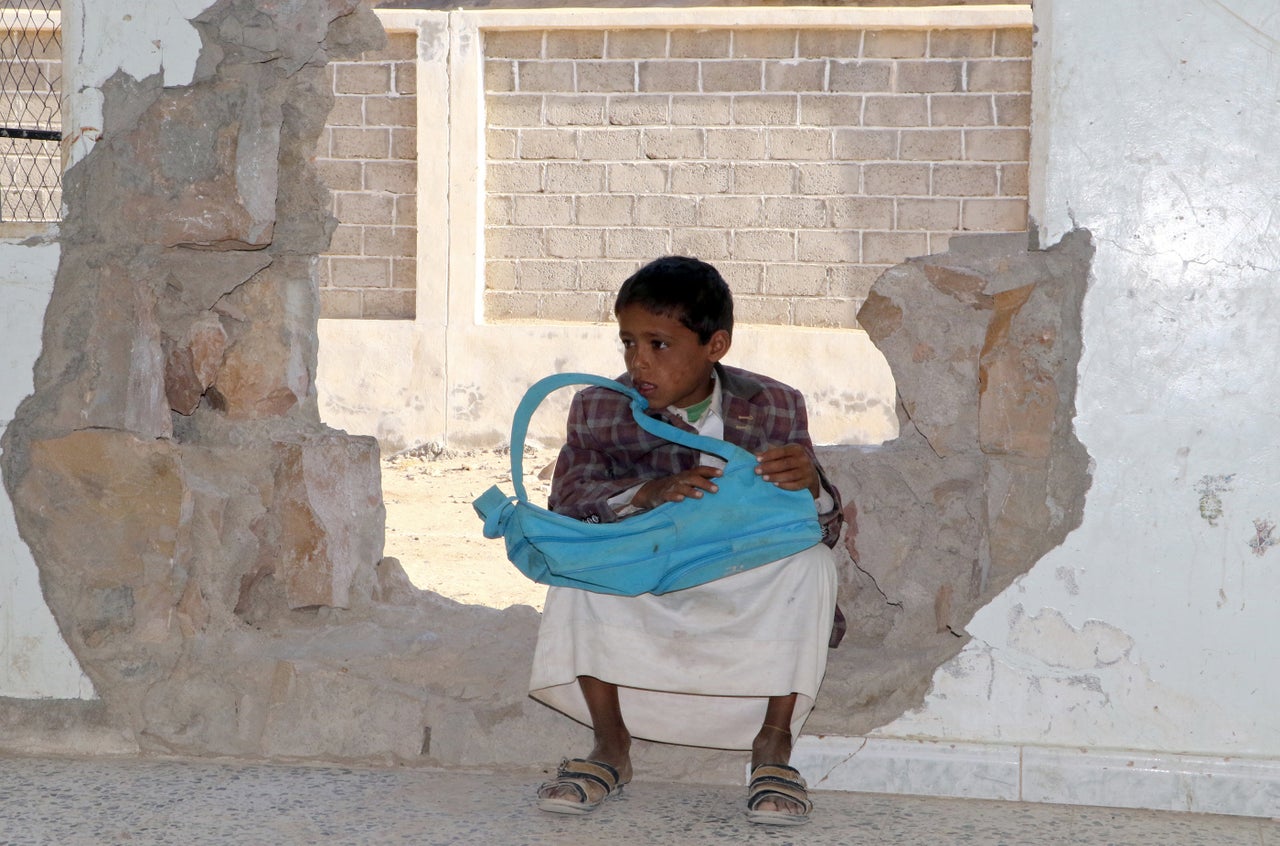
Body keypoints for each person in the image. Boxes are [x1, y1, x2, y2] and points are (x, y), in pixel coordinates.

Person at [529, 255, 844, 826]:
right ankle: (610, 748)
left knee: (812, 566)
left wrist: (813, 488)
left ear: (715, 345)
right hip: (644, 576)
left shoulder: (773, 404)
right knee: (576, 572)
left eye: (659, 345)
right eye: (628, 343)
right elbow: (567, 500)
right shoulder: (599, 405)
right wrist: (647, 493)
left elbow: (819, 525)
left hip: (741, 580)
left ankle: (772, 749)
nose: (638, 362)